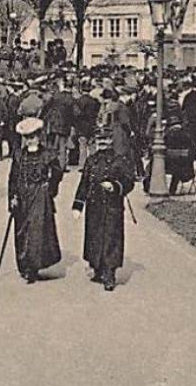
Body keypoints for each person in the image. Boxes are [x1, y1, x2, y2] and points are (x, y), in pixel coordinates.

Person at [72, 129, 135, 290]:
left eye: (106, 140)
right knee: (94, 238)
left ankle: (109, 274)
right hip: (94, 207)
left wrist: (115, 186)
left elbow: (129, 182)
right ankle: (98, 269)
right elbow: (84, 183)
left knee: (111, 239)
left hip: (112, 207)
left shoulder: (119, 161)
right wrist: (78, 205)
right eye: (99, 140)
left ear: (111, 141)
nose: (103, 143)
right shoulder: (91, 161)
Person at [8, 117, 62, 284]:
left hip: (40, 196)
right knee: (22, 231)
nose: (30, 140)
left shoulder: (48, 154)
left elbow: (58, 173)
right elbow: (13, 177)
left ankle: (33, 267)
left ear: (39, 136)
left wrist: (49, 190)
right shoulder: (19, 155)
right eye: (27, 137)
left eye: (33, 136)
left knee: (37, 231)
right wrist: (12, 196)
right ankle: (24, 265)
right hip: (23, 196)